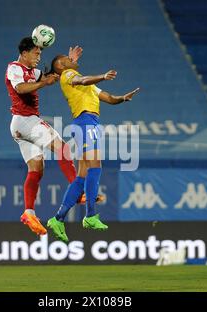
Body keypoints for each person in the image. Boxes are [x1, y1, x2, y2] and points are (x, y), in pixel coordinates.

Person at [45, 53, 139, 242]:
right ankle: (90, 215)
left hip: (89, 123)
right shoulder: (67, 75)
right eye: (67, 60)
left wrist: (123, 98)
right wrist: (103, 76)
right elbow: (82, 79)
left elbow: (109, 98)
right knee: (95, 165)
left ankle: (58, 219)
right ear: (62, 66)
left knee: (82, 176)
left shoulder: (88, 87)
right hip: (85, 122)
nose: (72, 60)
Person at [5, 37, 92, 236]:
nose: (38, 56)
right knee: (62, 148)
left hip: (20, 126)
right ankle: (77, 190)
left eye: (40, 54)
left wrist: (69, 62)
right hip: (26, 120)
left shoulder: (35, 72)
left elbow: (55, 75)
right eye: (36, 53)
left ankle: (28, 212)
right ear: (24, 53)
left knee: (36, 169)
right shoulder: (14, 68)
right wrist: (43, 82)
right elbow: (20, 88)